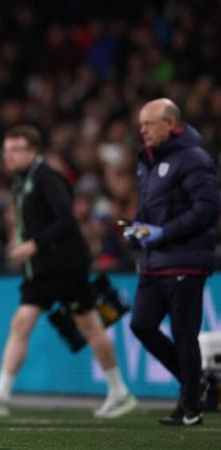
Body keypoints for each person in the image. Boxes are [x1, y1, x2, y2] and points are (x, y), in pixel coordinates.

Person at [0, 125, 137, 419]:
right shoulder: (21, 183)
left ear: (33, 151)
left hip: (65, 266)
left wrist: (33, 245)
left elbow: (67, 220)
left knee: (89, 326)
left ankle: (119, 390)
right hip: (40, 270)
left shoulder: (47, 177)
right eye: (6, 150)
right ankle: (1, 393)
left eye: (16, 150)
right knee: (22, 322)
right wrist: (21, 242)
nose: (9, 156)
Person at [126, 98, 220, 426]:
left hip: (185, 259)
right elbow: (152, 209)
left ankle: (191, 406)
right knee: (141, 324)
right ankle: (194, 386)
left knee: (184, 335)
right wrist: (138, 227)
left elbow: (207, 208)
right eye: (141, 124)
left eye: (148, 124)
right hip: (155, 260)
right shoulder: (148, 161)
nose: (143, 130)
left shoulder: (193, 158)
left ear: (170, 123)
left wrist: (163, 232)